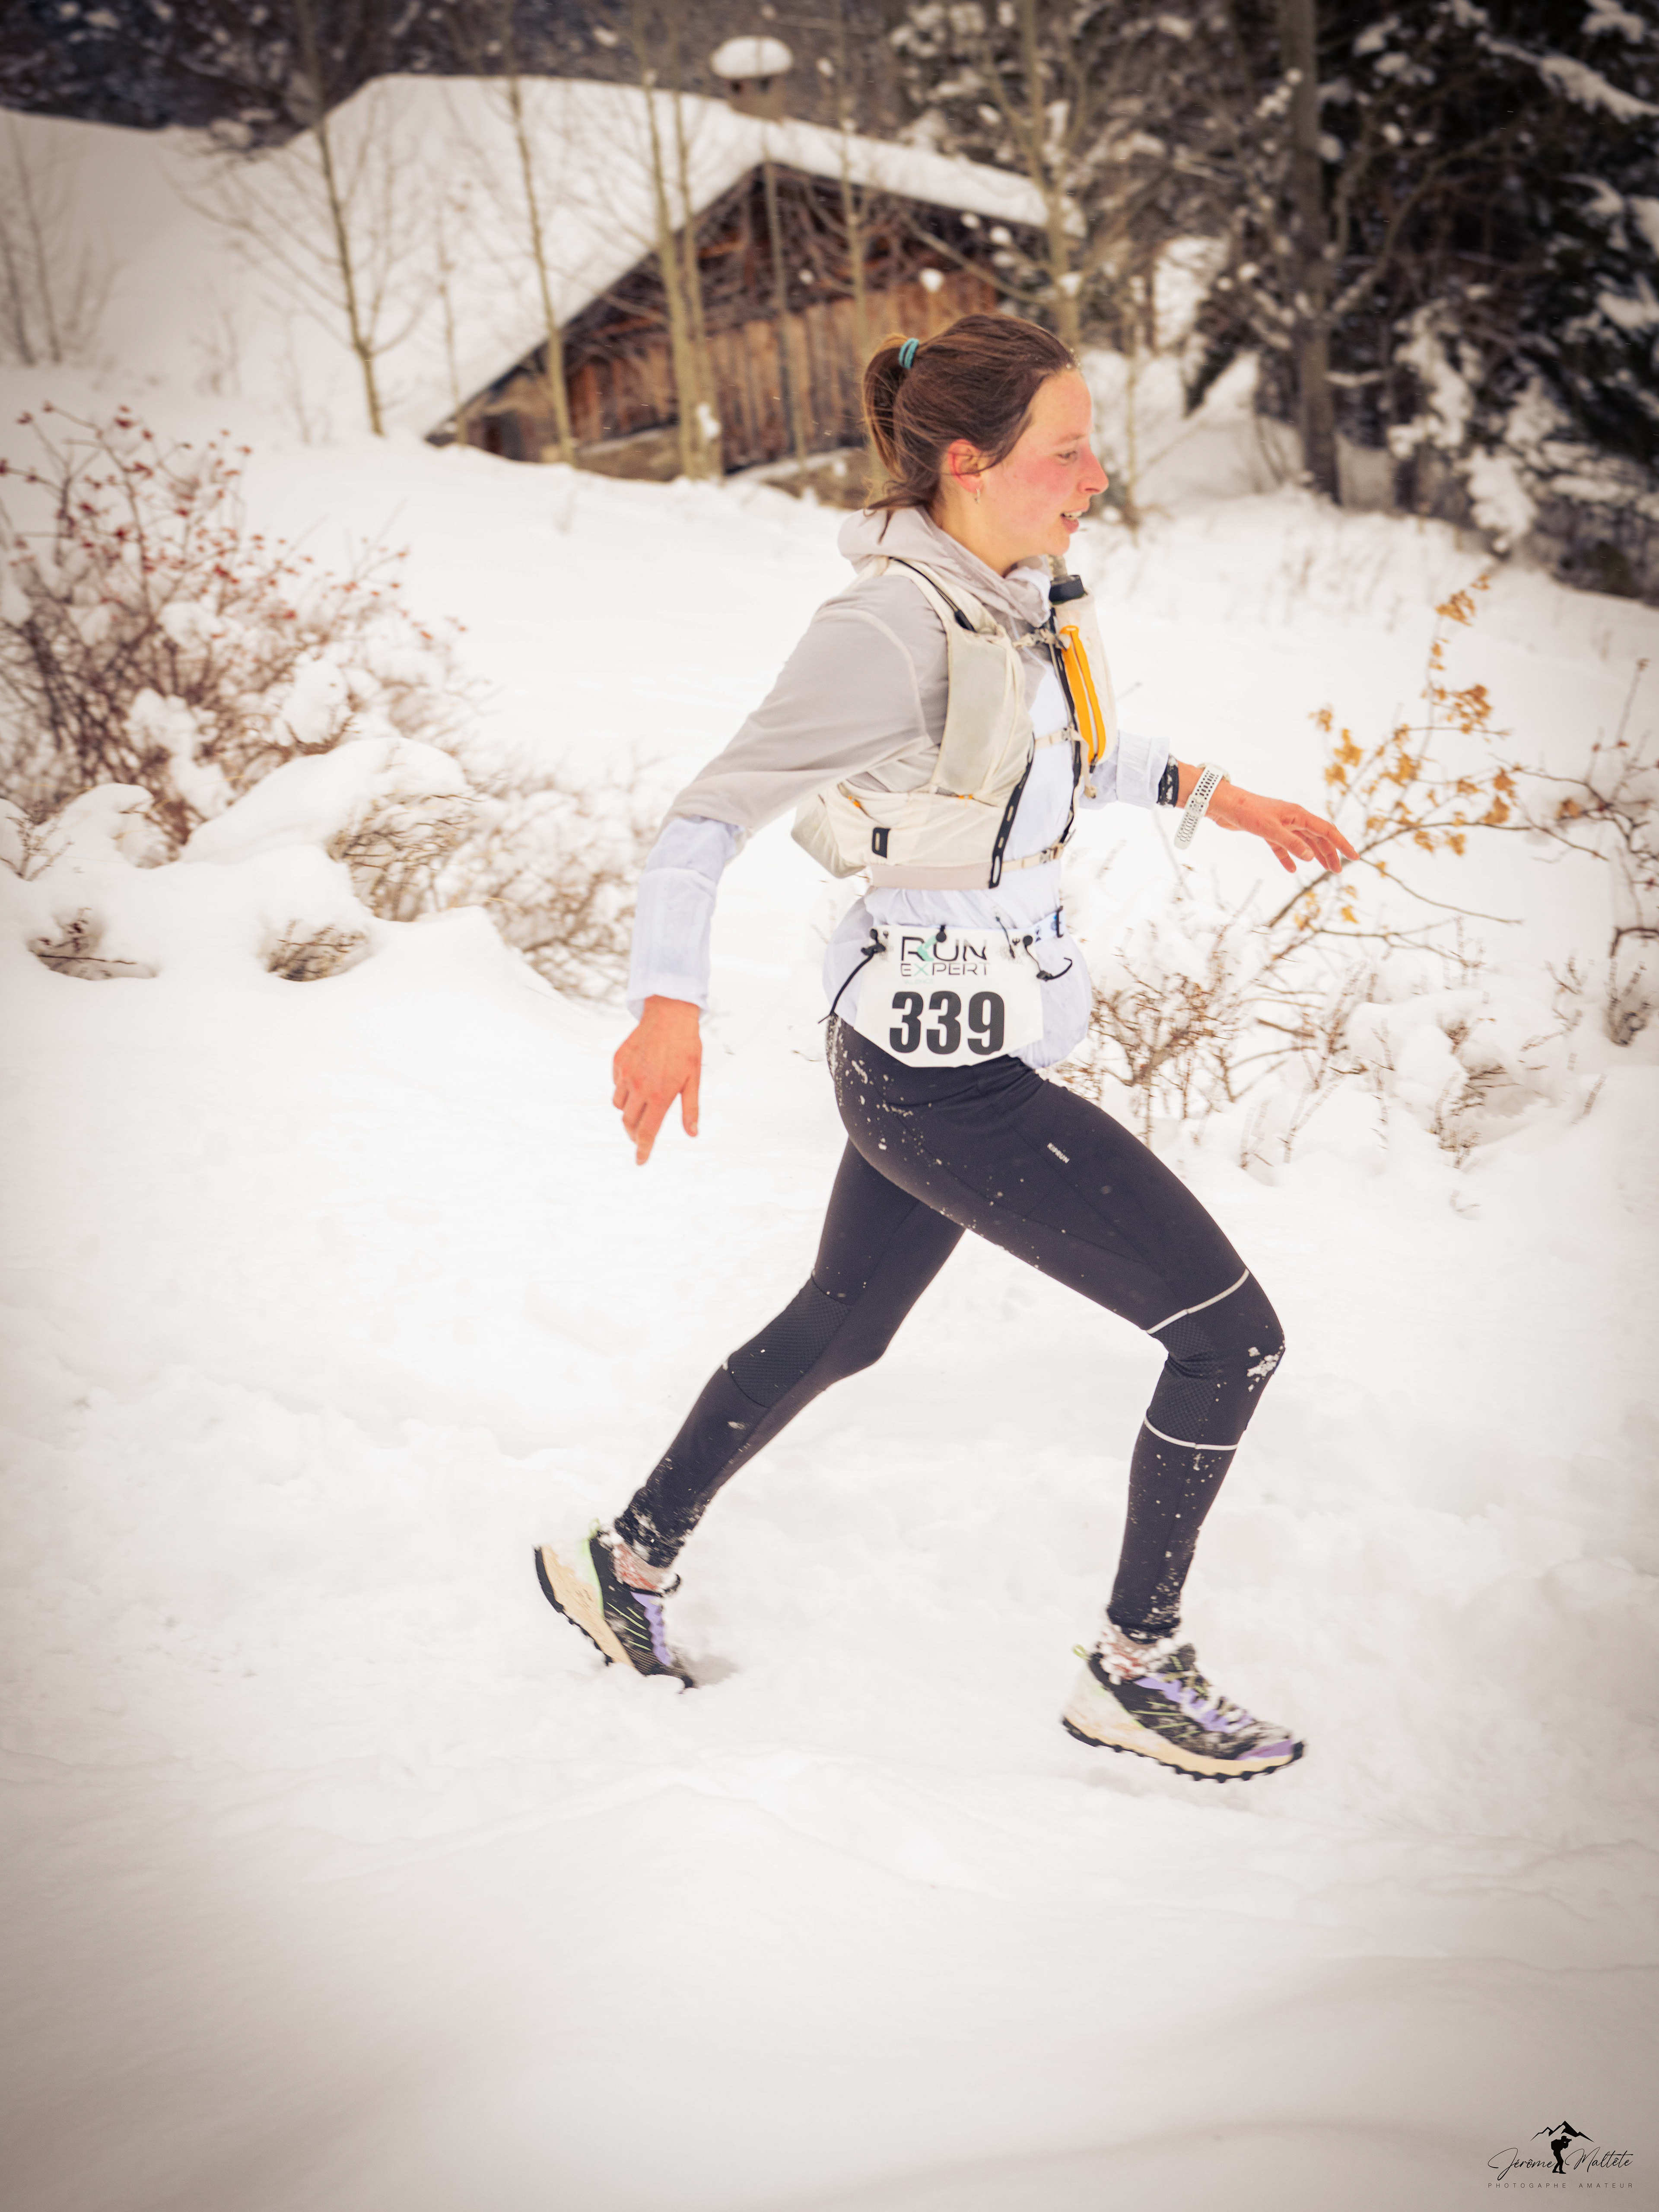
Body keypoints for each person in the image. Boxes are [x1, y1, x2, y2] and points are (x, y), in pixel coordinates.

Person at [537, 315, 1357, 1783]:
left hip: (932, 1052)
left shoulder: (1014, 596)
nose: (1097, 476)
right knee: (1228, 1337)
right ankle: (1136, 1669)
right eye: (1069, 451)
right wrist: (668, 1004)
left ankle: (627, 1558)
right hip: (939, 1086)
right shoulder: (884, 629)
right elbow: (707, 816)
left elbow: (1057, 754)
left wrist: (1217, 795)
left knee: (844, 1327)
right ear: (969, 464)